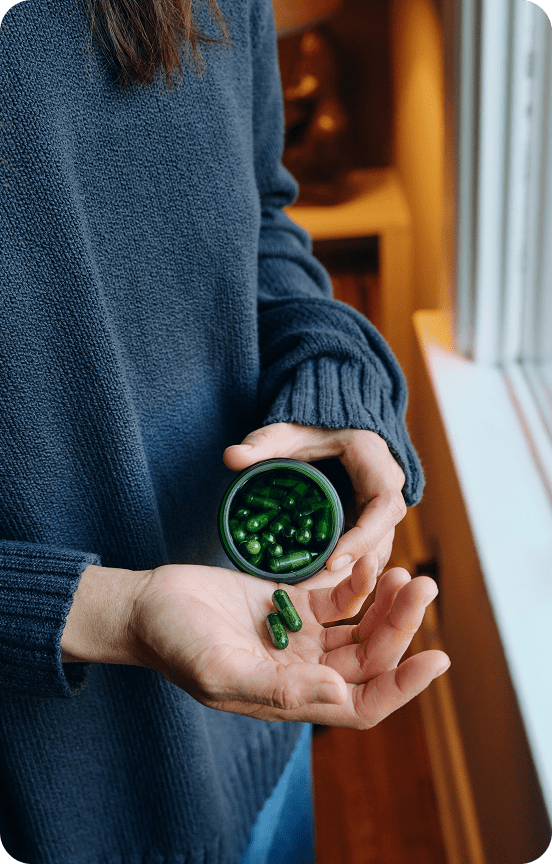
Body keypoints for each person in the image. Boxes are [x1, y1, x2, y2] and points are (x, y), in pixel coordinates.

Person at [0, 0, 450, 862]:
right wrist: (109, 611)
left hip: (265, 711)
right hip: (63, 805)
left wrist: (335, 383)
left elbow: (262, 220)